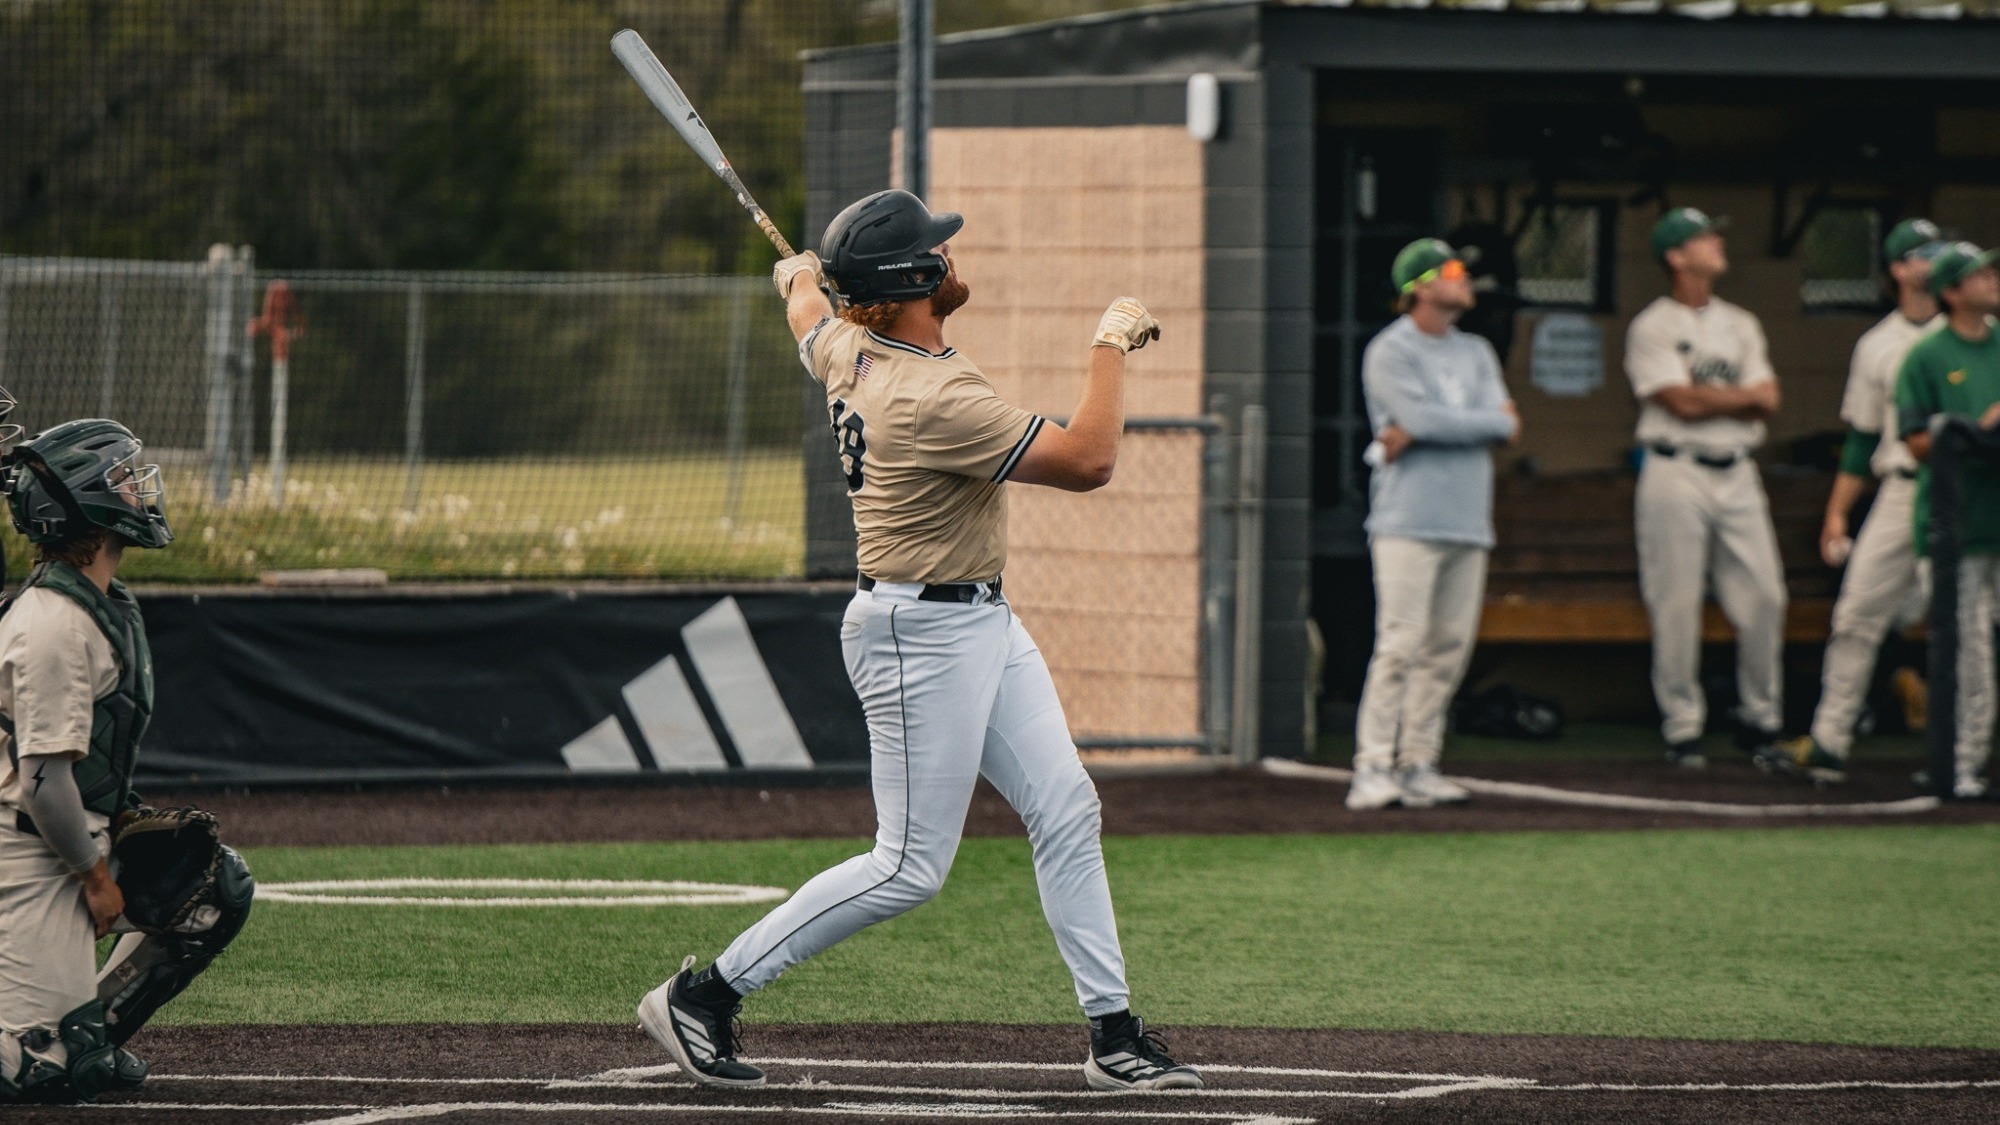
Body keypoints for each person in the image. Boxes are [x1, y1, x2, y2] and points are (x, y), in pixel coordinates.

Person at [635, 189, 1201, 1093]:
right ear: (911, 283)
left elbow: (805, 307)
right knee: (907, 866)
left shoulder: (844, 346)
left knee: (1066, 806)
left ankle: (1113, 1032)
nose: (950, 261)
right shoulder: (933, 395)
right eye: (936, 254)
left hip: (981, 619)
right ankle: (705, 993)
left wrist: (801, 277)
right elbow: (1090, 460)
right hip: (918, 632)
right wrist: (1110, 344)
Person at [0, 417, 242, 1104]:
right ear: (89, 504)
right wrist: (96, 876)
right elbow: (45, 783)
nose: (140, 491)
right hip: (30, 852)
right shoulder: (52, 623)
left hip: (56, 840)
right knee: (36, 1073)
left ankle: (82, 1034)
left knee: (210, 888)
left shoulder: (92, 601)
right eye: (124, 481)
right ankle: (53, 1039)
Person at [1763, 221, 1948, 785]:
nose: (1934, 262)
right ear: (1898, 270)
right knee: (1855, 615)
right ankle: (1830, 740)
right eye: (1922, 255)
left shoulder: (1975, 334)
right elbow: (1864, 438)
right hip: (1900, 487)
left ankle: (1961, 753)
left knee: (1967, 623)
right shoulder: (1878, 345)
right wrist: (1837, 511)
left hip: (1963, 490)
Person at [1346, 238, 1518, 811]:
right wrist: (1468, 421)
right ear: (1419, 286)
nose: (1464, 276)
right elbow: (1420, 417)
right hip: (1406, 521)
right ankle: (1371, 766)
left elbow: (1508, 425)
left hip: (1468, 521)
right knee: (1400, 644)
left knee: (1447, 647)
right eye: (1450, 269)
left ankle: (1418, 761)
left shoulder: (1477, 352)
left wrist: (1430, 426)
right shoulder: (1389, 351)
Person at [1625, 207, 1787, 769]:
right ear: (1676, 256)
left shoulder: (1741, 323)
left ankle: (1759, 718)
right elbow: (1680, 402)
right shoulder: (1654, 324)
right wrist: (1737, 398)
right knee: (1676, 603)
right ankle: (1683, 727)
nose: (1717, 243)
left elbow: (1769, 396)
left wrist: (1720, 397)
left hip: (1738, 469)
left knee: (1766, 595)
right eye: (1703, 238)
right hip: (1675, 467)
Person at [1895, 241, 2000, 800]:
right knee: (1969, 654)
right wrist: (1975, 428)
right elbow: (1914, 442)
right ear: (1952, 293)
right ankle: (1961, 766)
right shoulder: (1927, 356)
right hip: (1956, 529)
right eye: (1978, 275)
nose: (1991, 280)